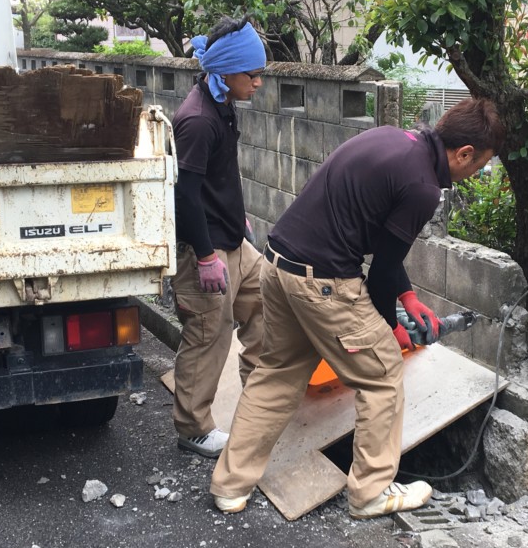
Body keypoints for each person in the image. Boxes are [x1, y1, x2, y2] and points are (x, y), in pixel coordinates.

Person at [209, 98, 506, 518]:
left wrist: (407, 297)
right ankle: (370, 493)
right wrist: (390, 331)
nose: (476, 173)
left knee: (276, 373)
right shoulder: (423, 187)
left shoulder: (391, 139)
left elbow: (384, 251)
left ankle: (229, 486)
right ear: (464, 153)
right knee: (383, 376)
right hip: (322, 282)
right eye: (481, 164)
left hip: (277, 264)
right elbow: (381, 272)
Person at [170, 15, 267, 458]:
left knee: (268, 306)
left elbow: (220, 176)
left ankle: (261, 401)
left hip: (233, 241)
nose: (259, 83)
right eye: (253, 74)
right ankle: (193, 428)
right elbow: (186, 196)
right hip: (205, 248)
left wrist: (238, 217)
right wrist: (206, 256)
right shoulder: (197, 120)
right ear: (226, 71)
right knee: (209, 334)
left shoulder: (222, 101)